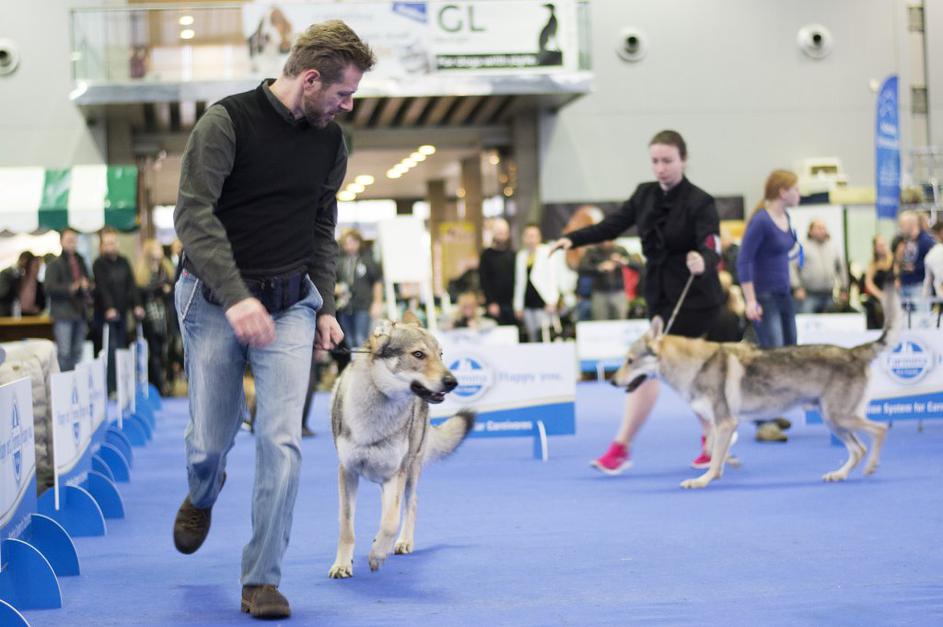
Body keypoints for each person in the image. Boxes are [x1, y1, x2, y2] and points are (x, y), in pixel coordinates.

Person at [170, 20, 374, 619]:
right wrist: (236, 296)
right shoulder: (225, 123)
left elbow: (321, 229)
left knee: (280, 439)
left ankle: (261, 579)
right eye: (342, 93)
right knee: (209, 442)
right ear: (309, 80)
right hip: (213, 300)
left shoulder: (332, 143)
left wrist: (326, 305)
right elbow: (193, 216)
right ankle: (203, 489)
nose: (347, 104)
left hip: (289, 306)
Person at [550, 130, 725, 473]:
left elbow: (711, 242)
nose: (660, 168)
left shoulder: (700, 201)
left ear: (683, 160)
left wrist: (703, 259)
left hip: (694, 298)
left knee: (657, 370)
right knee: (681, 375)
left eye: (667, 161)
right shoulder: (644, 195)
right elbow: (611, 226)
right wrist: (572, 239)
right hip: (658, 297)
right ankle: (713, 437)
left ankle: (621, 447)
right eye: (655, 161)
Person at [737, 169, 803, 442]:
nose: (800, 194)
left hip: (783, 294)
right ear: (782, 191)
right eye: (796, 189)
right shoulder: (761, 221)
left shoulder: (786, 218)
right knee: (770, 361)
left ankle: (773, 410)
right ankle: (763, 421)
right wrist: (750, 300)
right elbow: (744, 260)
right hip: (764, 297)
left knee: (787, 354)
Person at [94, 227, 145, 392]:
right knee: (110, 350)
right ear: (102, 246)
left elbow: (132, 285)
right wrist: (109, 308)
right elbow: (102, 288)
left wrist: (137, 305)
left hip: (122, 314)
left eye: (113, 242)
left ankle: (123, 387)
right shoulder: (98, 264)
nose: (111, 246)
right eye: (107, 243)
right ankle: (110, 388)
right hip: (104, 316)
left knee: (122, 348)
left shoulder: (124, 262)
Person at [45, 229, 92, 372]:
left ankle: (74, 382)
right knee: (64, 353)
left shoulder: (81, 261)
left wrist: (87, 285)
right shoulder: (54, 264)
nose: (72, 243)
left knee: (77, 352)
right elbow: (49, 288)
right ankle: (63, 383)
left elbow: (89, 281)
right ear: (61, 242)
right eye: (69, 240)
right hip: (63, 314)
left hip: (80, 312)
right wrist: (71, 287)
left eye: (74, 240)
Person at [134, 238, 175, 395]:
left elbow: (172, 288)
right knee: (154, 351)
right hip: (151, 318)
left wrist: (165, 290)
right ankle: (158, 385)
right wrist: (159, 290)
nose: (159, 252)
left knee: (167, 350)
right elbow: (139, 292)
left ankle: (167, 382)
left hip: (166, 316)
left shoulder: (167, 269)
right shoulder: (142, 272)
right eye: (155, 249)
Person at [335, 228, 383, 350]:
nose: (349, 246)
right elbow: (333, 282)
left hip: (363, 306)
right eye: (346, 243)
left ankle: (362, 362)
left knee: (361, 339)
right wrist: (337, 288)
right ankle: (355, 361)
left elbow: (377, 282)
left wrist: (377, 303)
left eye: (352, 242)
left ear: (359, 242)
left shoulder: (368, 260)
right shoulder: (340, 262)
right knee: (349, 340)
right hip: (345, 306)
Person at [514, 223, 558, 342]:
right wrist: (518, 306)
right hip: (528, 303)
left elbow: (553, 277)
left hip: (543, 302)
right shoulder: (521, 256)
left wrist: (552, 301)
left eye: (533, 236)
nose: (531, 239)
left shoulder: (547, 251)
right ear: (523, 238)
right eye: (528, 236)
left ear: (539, 237)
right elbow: (519, 283)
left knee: (545, 335)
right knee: (532, 337)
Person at [794, 219, 847, 314]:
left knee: (830, 321)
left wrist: (844, 289)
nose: (822, 230)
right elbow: (794, 268)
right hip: (808, 296)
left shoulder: (833, 247)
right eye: (818, 228)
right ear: (810, 231)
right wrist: (797, 287)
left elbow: (841, 269)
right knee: (808, 321)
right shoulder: (802, 248)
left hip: (829, 295)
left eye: (823, 228)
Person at [579, 240, 631, 320]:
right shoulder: (592, 252)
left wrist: (622, 260)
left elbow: (636, 264)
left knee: (621, 320)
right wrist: (599, 267)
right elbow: (582, 268)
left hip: (618, 292)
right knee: (600, 321)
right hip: (599, 293)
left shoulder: (620, 250)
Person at [478, 217, 517, 326]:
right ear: (494, 234)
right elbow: (484, 281)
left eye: (505, 233)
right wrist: (491, 302)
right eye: (499, 233)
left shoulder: (513, 255)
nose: (502, 236)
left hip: (511, 305)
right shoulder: (486, 255)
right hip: (494, 305)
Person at [894, 210, 933, 307]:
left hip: (919, 286)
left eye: (902, 225)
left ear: (911, 224)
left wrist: (916, 267)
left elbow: (933, 264)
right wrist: (897, 277)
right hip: (904, 285)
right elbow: (898, 262)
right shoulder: (903, 241)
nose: (900, 228)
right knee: (904, 315)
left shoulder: (926, 241)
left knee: (920, 315)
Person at [862, 234, 895, 329]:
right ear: (875, 248)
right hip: (877, 299)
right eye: (880, 245)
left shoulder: (893, 261)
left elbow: (897, 279)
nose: (883, 247)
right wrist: (880, 295)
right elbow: (868, 283)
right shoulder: (872, 264)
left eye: (884, 244)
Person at [0, 251, 46, 317]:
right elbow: (4, 295)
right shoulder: (12, 277)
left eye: (38, 266)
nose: (37, 269)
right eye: (35, 266)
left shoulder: (39, 285)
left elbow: (42, 304)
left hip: (32, 316)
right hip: (9, 314)